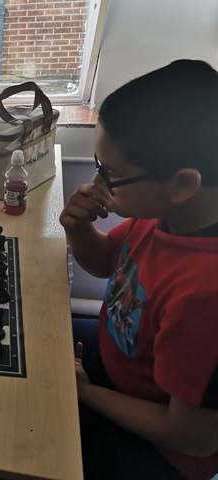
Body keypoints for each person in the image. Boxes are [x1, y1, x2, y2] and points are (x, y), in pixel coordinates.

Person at [60, 59, 218, 480]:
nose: (96, 185)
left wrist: (84, 393)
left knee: (25, 441)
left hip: (158, 451)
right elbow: (106, 263)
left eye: (110, 174)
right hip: (120, 365)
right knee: (25, 339)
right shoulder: (166, 215)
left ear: (182, 185)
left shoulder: (205, 295)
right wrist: (77, 227)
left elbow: (194, 437)